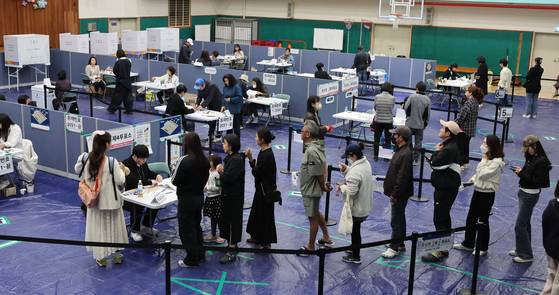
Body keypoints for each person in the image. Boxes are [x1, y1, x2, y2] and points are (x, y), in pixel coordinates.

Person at [74, 131, 128, 267]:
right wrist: (122, 169)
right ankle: (117, 255)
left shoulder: (84, 158)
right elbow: (121, 180)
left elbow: (77, 170)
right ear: (107, 145)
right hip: (112, 202)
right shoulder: (112, 162)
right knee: (115, 228)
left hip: (94, 202)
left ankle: (100, 257)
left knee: (99, 229)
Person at [453, 136, 505, 256]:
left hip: (487, 194)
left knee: (483, 220)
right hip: (478, 191)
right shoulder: (487, 158)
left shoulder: (497, 162)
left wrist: (484, 161)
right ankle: (468, 243)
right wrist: (471, 181)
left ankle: (482, 247)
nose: (482, 145)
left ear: (491, 146)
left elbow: (482, 174)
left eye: (485, 144)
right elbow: (477, 175)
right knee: (471, 217)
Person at [422, 120, 462, 263]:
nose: (440, 129)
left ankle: (439, 250)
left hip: (446, 189)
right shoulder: (448, 146)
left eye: (442, 128)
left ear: (448, 133)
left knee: (439, 218)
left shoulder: (449, 149)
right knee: (443, 217)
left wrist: (436, 153)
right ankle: (443, 247)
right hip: (446, 187)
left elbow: (435, 164)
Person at [510, 135, 552, 263]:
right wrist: (521, 171)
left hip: (530, 195)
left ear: (534, 146)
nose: (526, 151)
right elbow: (529, 175)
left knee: (520, 225)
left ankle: (526, 254)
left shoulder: (541, 161)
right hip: (523, 192)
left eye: (527, 148)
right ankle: (521, 248)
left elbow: (539, 182)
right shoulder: (531, 158)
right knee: (525, 223)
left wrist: (521, 173)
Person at [172, 132, 210, 267]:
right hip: (199, 197)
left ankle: (191, 259)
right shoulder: (205, 160)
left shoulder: (184, 160)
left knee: (186, 229)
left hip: (186, 199)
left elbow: (174, 181)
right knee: (196, 226)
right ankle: (200, 253)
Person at [298, 120, 333, 255]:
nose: (300, 133)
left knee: (312, 217)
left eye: (302, 131)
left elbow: (317, 172)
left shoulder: (311, 151)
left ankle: (311, 246)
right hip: (314, 188)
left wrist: (323, 186)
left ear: (307, 134)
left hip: (311, 189)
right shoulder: (317, 147)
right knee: (316, 212)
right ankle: (326, 237)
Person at [337, 143, 373, 264]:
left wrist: (341, 186)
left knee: (356, 231)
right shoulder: (365, 164)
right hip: (364, 204)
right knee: (355, 230)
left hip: (357, 208)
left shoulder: (355, 171)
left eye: (348, 156)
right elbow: (357, 176)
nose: (347, 159)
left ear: (353, 155)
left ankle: (355, 256)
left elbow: (351, 192)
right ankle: (353, 247)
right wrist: (347, 170)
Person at [381, 126, 414, 259]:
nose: (393, 137)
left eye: (396, 135)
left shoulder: (405, 154)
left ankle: (394, 247)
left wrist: (395, 194)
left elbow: (402, 176)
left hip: (400, 194)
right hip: (399, 192)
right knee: (400, 217)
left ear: (401, 137)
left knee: (396, 219)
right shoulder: (402, 151)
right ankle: (400, 243)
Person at [122, 145, 163, 242]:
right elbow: (133, 181)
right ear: (135, 156)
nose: (144, 161)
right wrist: (150, 182)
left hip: (143, 191)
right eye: (142, 159)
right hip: (129, 196)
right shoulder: (125, 165)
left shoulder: (142, 163)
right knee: (138, 205)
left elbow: (148, 172)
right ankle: (134, 230)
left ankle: (146, 225)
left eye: (145, 159)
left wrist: (156, 175)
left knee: (155, 202)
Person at [246, 128, 278, 249]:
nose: (255, 138)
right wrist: (252, 160)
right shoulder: (264, 152)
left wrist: (250, 159)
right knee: (257, 212)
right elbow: (259, 168)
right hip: (261, 189)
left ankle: (265, 241)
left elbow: (257, 172)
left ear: (262, 139)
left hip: (266, 191)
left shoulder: (267, 155)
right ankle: (256, 236)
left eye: (256, 136)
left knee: (265, 215)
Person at [217, 134, 245, 264]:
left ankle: (232, 247)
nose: (223, 145)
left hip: (234, 197)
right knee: (227, 220)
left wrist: (221, 172)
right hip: (228, 196)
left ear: (231, 145)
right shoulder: (230, 158)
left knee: (233, 221)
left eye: (225, 143)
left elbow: (229, 178)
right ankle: (230, 243)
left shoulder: (236, 160)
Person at [455, 86, 483, 168]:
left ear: (470, 93)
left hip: (464, 128)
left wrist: (453, 124)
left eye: (467, 91)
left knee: (460, 146)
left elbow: (461, 117)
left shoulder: (468, 103)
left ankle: (460, 164)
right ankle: (465, 162)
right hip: (471, 129)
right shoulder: (476, 102)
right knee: (466, 146)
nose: (465, 92)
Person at [403, 81, 430, 165]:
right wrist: (425, 123)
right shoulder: (427, 99)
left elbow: (406, 107)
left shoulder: (412, 96)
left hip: (409, 123)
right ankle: (416, 160)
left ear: (417, 88)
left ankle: (408, 158)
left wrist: (408, 117)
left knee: (408, 141)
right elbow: (428, 114)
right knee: (418, 143)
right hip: (420, 124)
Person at [203, 155, 225, 244]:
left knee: (219, 218)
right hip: (209, 198)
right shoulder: (209, 171)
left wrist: (207, 187)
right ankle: (213, 235)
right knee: (213, 218)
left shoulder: (217, 174)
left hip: (216, 199)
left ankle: (222, 235)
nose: (209, 162)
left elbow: (218, 187)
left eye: (211, 160)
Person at [541, 182, 559, 295]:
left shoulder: (551, 204)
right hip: (554, 247)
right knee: (557, 284)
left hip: (551, 248)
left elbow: (545, 225)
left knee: (552, 276)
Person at [372, 82, 395, 161]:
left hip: (378, 121)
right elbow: (391, 108)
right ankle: (386, 157)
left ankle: (376, 156)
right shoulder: (392, 98)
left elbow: (375, 108)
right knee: (388, 139)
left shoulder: (377, 97)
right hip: (388, 121)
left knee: (376, 138)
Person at [109, 50, 133, 114]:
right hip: (128, 82)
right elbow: (130, 68)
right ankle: (129, 109)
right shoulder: (129, 60)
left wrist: (118, 75)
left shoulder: (118, 61)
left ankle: (112, 109)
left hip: (120, 82)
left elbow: (114, 71)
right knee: (128, 97)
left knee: (117, 96)